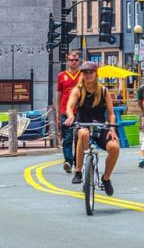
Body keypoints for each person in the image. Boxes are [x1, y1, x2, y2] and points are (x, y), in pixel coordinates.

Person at [64, 61, 120, 195]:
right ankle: (78, 171)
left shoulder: (103, 91)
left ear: (96, 74)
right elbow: (69, 107)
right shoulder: (78, 90)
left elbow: (111, 113)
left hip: (100, 126)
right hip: (82, 125)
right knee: (83, 133)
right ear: (82, 74)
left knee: (114, 147)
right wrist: (70, 115)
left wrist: (112, 129)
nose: (88, 75)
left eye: (91, 72)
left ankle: (106, 178)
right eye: (85, 72)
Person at [57, 52, 82, 174]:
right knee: (67, 138)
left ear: (79, 61)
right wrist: (58, 112)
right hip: (65, 111)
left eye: (76, 60)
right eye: (71, 60)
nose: (73, 62)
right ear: (67, 62)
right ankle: (68, 162)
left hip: (80, 111)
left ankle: (78, 162)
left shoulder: (83, 75)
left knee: (79, 137)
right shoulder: (62, 76)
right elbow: (59, 94)